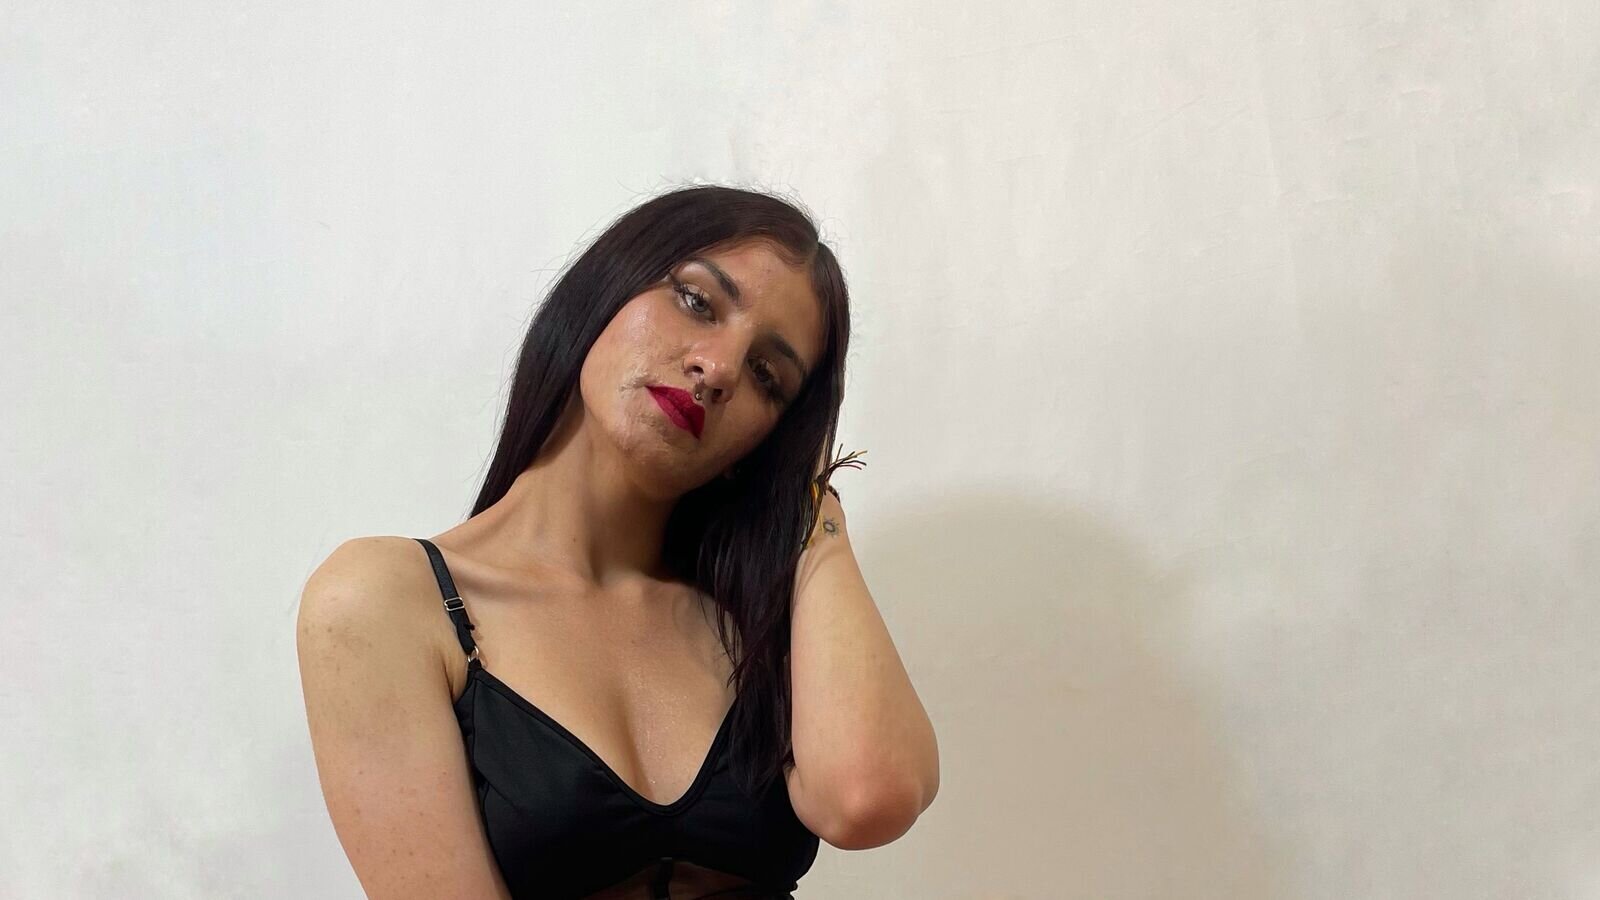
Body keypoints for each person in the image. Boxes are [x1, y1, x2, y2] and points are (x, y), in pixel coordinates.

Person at [295, 185, 939, 899]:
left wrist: (815, 503)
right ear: (603, 291)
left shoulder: (756, 617)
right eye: (696, 301)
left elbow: (866, 799)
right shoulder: (389, 600)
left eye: (768, 376)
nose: (720, 368)